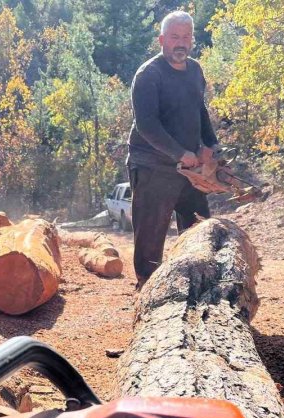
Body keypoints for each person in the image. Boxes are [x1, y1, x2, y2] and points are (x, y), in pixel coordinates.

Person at [126, 10, 220, 287]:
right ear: (162, 39)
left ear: (192, 39)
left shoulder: (195, 71)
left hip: (190, 170)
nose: (181, 43)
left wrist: (212, 146)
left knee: (199, 228)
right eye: (175, 37)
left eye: (186, 37)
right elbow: (147, 125)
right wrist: (181, 153)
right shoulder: (148, 75)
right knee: (151, 237)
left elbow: (199, 110)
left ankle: (198, 285)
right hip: (152, 165)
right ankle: (147, 288)